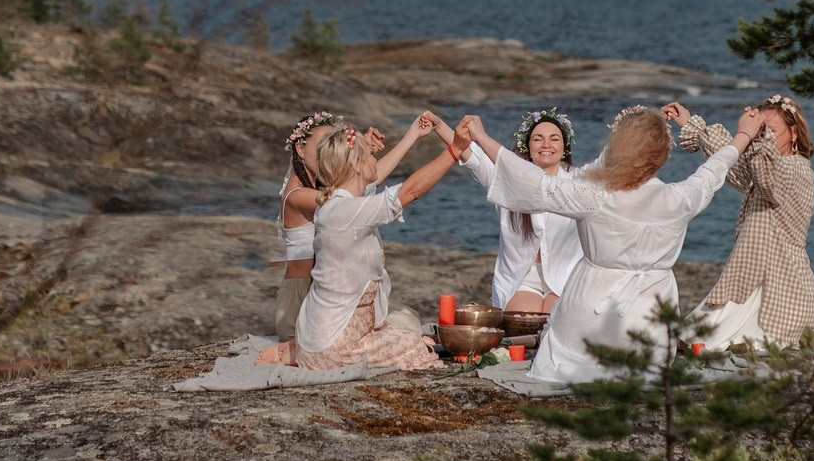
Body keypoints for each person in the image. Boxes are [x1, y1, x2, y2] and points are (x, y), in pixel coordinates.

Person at [454, 104, 746, 388]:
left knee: (567, 355)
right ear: (663, 156)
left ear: (617, 151)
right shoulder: (680, 198)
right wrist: (743, 135)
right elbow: (711, 172)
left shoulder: (593, 196)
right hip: (651, 325)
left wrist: (482, 138)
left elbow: (534, 183)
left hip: (586, 319)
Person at [257, 110, 462, 371]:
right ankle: (295, 349)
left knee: (407, 323)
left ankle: (299, 350)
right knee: (412, 341)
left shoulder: (340, 205)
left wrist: (407, 136)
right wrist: (454, 150)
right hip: (306, 306)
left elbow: (361, 190)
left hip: (324, 315)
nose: (374, 161)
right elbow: (403, 191)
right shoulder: (316, 201)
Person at [667, 94, 814, 345]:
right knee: (688, 339)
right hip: (753, 278)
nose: (764, 139)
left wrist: (751, 136)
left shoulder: (796, 170)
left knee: (705, 342)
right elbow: (731, 161)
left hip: (782, 290)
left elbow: (765, 175)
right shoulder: (762, 166)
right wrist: (691, 125)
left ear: (794, 133)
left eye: (770, 132)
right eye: (760, 132)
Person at [459, 107, 584, 324]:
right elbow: (471, 154)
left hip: (567, 276)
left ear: (564, 147)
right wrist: (436, 124)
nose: (546, 144)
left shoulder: (579, 182)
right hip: (522, 278)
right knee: (524, 325)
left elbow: (618, 165)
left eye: (554, 139)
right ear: (528, 146)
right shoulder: (507, 180)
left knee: (557, 324)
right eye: (538, 139)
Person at [271, 110, 338, 342]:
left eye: (334, 144)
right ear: (300, 149)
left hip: (321, 295)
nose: (329, 152)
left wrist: (413, 134)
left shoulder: (318, 188)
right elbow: (349, 201)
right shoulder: (297, 195)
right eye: (324, 144)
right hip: (298, 304)